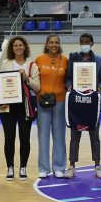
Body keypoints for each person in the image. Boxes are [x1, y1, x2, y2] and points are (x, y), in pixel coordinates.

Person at [0, 36, 40, 181]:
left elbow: (37, 87)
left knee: (24, 137)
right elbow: (0, 84)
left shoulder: (31, 65)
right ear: (12, 48)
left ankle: (23, 167)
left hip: (25, 106)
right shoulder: (5, 63)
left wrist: (26, 77)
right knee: (9, 138)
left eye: (20, 45)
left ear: (25, 47)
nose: (18, 48)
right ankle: (10, 167)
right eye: (15, 45)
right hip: (7, 106)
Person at [65, 33, 101, 179]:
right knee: (74, 135)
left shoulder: (99, 60)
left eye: (87, 42)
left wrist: (100, 87)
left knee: (94, 135)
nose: (84, 44)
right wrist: (69, 86)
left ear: (92, 43)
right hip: (76, 100)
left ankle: (97, 166)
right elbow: (68, 77)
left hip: (92, 102)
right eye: (82, 41)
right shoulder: (73, 58)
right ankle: (71, 166)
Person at [35, 34, 68, 179]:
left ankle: (59, 167)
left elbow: (69, 80)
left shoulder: (65, 60)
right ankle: (43, 168)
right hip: (43, 101)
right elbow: (35, 81)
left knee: (59, 135)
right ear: (47, 44)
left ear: (59, 44)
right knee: (43, 135)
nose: (54, 45)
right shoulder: (39, 59)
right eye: (51, 42)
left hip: (60, 101)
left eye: (56, 42)